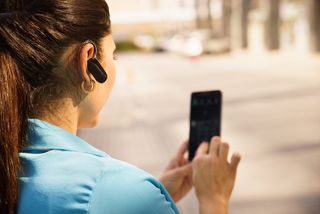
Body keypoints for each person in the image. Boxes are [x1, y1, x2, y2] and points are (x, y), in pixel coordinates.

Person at [0, 0, 241, 213]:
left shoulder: (11, 165)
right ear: (88, 61)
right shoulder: (113, 189)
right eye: (113, 56)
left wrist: (154, 196)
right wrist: (214, 200)